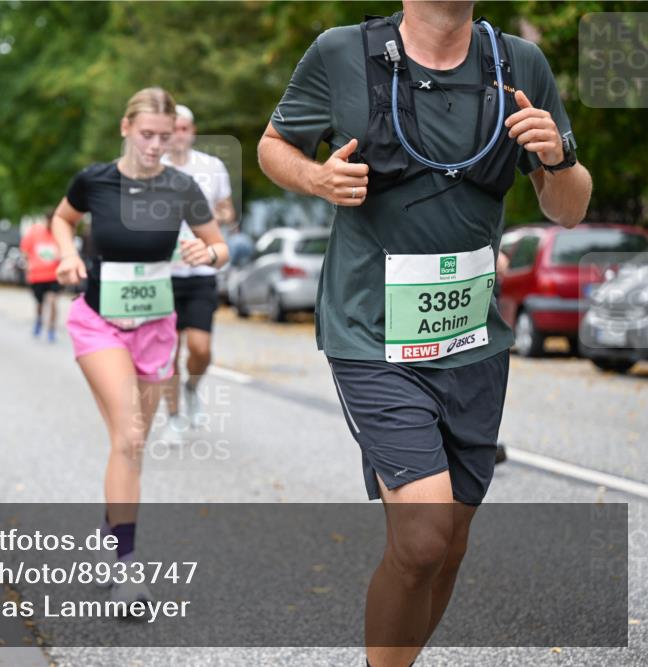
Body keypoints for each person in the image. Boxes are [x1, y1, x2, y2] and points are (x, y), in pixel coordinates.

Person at [257, 3, 591, 666]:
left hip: (472, 339)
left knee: (449, 541)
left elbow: (570, 207)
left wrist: (556, 157)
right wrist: (318, 177)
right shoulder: (340, 52)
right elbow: (274, 146)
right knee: (424, 533)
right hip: (370, 332)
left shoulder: (518, 65)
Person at [51, 87, 228, 605]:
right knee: (128, 436)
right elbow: (62, 219)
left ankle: (111, 538)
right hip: (99, 322)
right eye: (146, 134)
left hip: (156, 327)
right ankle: (127, 565)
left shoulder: (182, 186)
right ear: (126, 129)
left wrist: (206, 253)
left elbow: (219, 246)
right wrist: (66, 254)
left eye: (165, 136)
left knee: (130, 447)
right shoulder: (95, 180)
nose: (155, 145)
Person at [158, 104, 235, 444]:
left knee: (200, 349)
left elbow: (229, 211)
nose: (179, 135)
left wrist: (213, 215)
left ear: (192, 131)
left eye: (185, 128)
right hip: (162, 272)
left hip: (202, 269)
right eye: (173, 128)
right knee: (167, 352)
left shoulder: (211, 166)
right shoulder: (153, 168)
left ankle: (192, 387)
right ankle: (174, 419)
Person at [20, 211, 62, 342]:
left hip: (54, 275)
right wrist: (28, 264)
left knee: (53, 300)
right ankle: (39, 320)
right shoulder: (35, 232)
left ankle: (51, 329)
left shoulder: (60, 234)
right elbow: (25, 250)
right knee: (40, 304)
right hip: (37, 276)